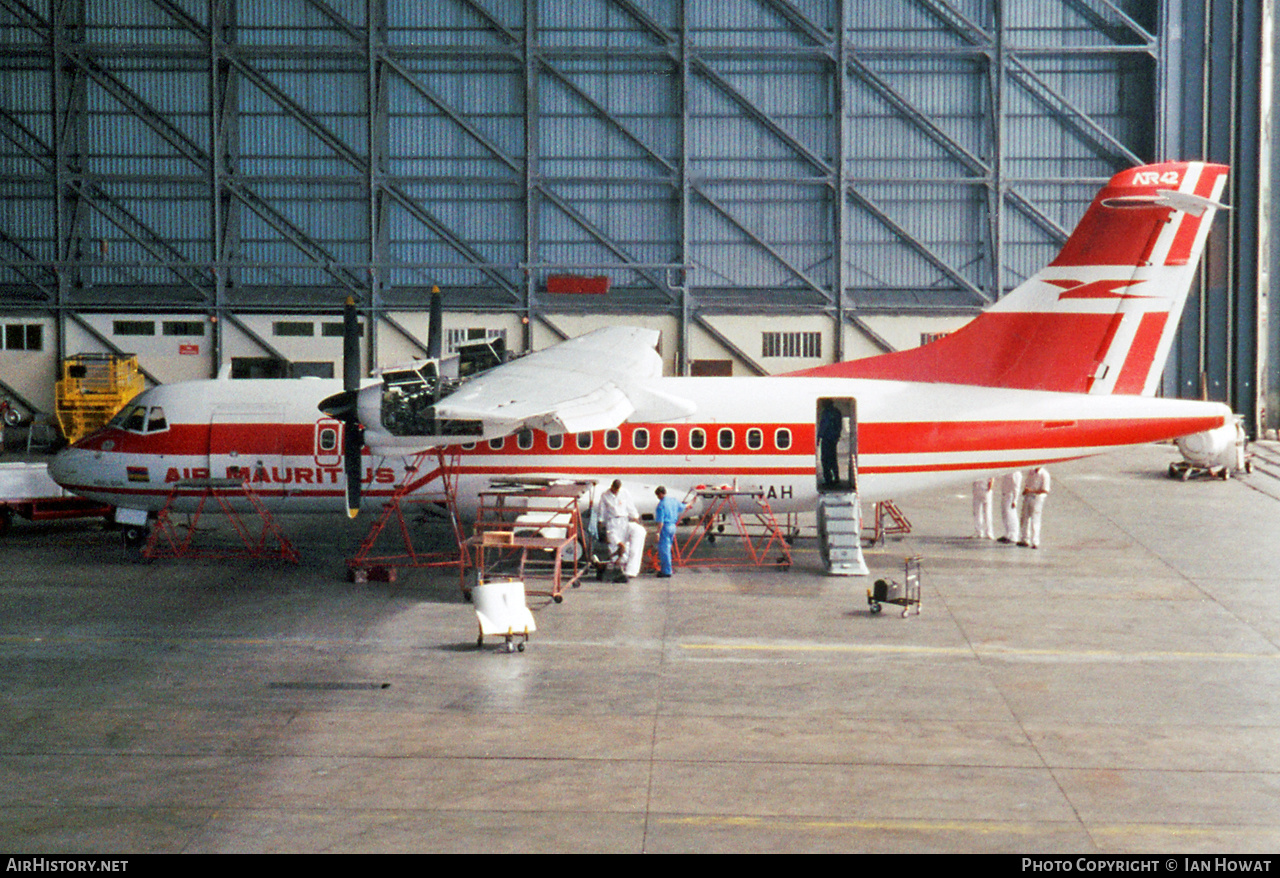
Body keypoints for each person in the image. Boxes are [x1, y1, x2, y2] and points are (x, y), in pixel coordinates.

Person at [593, 479, 645, 582]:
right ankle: (616, 567)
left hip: (624, 519)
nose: (616, 491)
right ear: (612, 487)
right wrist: (600, 523)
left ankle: (629, 570)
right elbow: (602, 510)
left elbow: (630, 506)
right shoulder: (605, 495)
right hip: (612, 521)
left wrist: (636, 517)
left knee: (626, 544)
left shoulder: (624, 493)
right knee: (614, 545)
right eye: (615, 489)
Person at [653, 486, 684, 578]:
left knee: (664, 550)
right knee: (668, 547)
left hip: (665, 527)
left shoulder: (661, 505)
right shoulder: (673, 501)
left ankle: (666, 571)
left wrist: (658, 533)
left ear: (660, 494)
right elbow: (684, 506)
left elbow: (660, 521)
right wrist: (692, 502)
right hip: (673, 526)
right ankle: (668, 569)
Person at [1019, 466, 1051, 549]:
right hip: (1028, 497)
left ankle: (1035, 541)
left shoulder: (1044, 475)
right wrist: (1026, 491)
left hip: (1037, 498)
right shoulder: (1031, 472)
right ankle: (1025, 539)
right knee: (1024, 518)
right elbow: (1027, 483)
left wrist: (1032, 491)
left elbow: (1045, 490)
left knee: (1035, 520)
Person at [818, 399, 842, 488]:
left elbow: (824, 425)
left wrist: (818, 437)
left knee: (825, 459)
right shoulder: (837, 412)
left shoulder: (826, 413)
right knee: (833, 459)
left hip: (826, 438)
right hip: (834, 438)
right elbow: (840, 426)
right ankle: (836, 477)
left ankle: (828, 480)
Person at [997, 470, 1022, 544]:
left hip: (1010, 496)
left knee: (1011, 515)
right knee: (1005, 515)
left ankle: (1014, 535)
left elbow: (1016, 488)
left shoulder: (1016, 474)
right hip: (1005, 494)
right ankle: (1007, 534)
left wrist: (1015, 500)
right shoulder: (1008, 471)